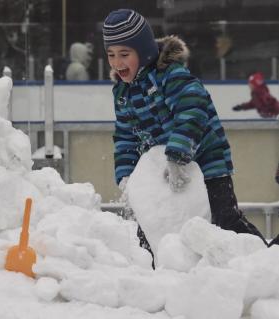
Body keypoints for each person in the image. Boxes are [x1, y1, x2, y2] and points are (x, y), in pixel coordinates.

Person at [102, 9, 272, 255]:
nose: (117, 63)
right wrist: (127, 177)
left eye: (125, 54)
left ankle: (264, 260)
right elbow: (126, 137)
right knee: (150, 232)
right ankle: (157, 278)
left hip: (207, 162)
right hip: (166, 173)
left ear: (144, 50)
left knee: (225, 221)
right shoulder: (123, 94)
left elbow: (192, 109)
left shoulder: (171, 76)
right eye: (111, 55)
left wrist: (177, 155)